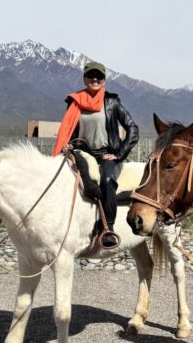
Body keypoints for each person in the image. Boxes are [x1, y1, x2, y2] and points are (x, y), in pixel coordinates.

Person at [53, 61, 139, 248]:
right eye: (91, 76)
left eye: (99, 77)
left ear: (104, 81)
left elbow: (133, 128)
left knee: (107, 180)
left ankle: (107, 228)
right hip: (83, 154)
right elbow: (70, 131)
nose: (95, 79)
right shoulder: (74, 102)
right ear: (84, 79)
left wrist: (119, 153)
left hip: (107, 154)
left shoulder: (112, 102)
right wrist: (68, 144)